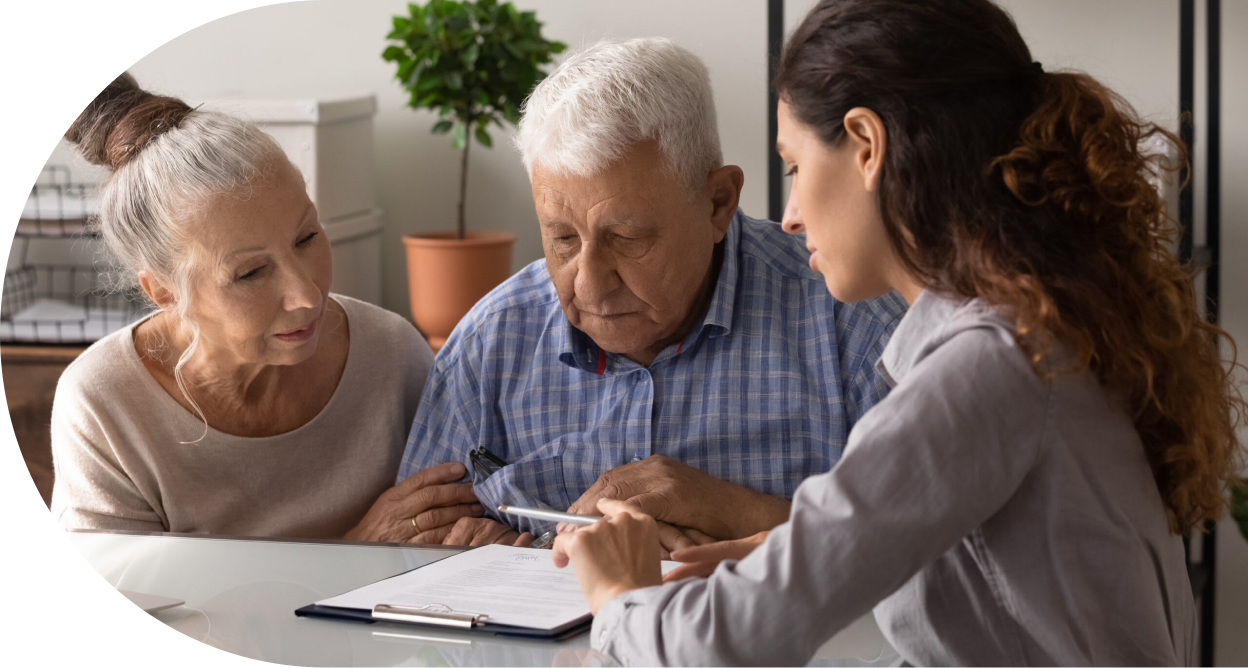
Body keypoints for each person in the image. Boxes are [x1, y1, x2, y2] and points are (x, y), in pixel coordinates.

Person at [551, 1, 1244, 666]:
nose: (789, 215)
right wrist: (788, 550)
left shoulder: (988, 365)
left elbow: (715, 650)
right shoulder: (1033, 334)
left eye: (795, 166)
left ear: (865, 144)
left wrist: (618, 592)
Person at [396, 37, 906, 549]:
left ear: (718, 203)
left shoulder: (856, 324)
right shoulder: (490, 343)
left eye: (627, 238)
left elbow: (933, 560)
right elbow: (405, 556)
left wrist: (733, 511)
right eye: (563, 239)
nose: (590, 283)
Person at [50, 74, 480, 541]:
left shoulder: (393, 354)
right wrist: (358, 548)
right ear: (164, 292)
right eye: (250, 273)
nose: (307, 295)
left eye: (307, 237)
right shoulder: (104, 403)